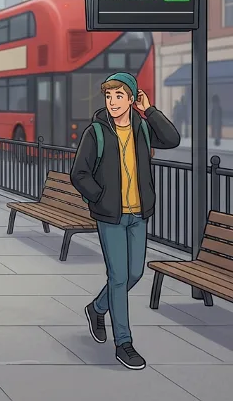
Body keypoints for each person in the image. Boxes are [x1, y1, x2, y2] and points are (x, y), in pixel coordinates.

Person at [71, 72, 180, 370]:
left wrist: (151, 110)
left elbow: (172, 139)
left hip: (138, 215)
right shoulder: (96, 132)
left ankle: (97, 308)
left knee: (134, 274)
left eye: (119, 96)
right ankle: (124, 343)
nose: (113, 102)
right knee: (119, 277)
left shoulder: (143, 128)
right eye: (109, 96)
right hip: (111, 217)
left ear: (132, 99)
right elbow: (78, 173)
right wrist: (100, 197)